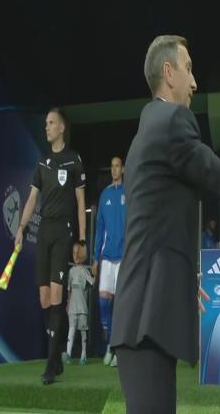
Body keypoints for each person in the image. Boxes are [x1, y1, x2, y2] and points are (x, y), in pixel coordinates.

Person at [110, 35, 220, 414]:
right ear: (168, 73)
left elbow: (153, 223)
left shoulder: (149, 127)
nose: (194, 83)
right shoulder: (173, 120)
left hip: (143, 314)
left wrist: (178, 276)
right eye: (189, 70)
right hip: (146, 319)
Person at [15, 107, 87, 385]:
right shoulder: (42, 162)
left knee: (57, 293)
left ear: (62, 128)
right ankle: (57, 356)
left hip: (63, 230)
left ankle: (50, 362)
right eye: (45, 122)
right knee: (44, 298)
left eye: (51, 122)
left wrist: (82, 239)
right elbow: (32, 199)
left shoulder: (74, 159)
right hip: (44, 230)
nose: (46, 127)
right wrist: (21, 228)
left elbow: (81, 202)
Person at [92, 156, 126, 367]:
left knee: (120, 303)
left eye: (117, 166)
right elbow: (99, 229)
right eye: (112, 166)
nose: (114, 170)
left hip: (124, 256)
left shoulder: (129, 194)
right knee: (104, 301)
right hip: (106, 257)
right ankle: (111, 344)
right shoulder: (104, 195)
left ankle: (119, 348)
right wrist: (95, 258)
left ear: (123, 169)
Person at [65, 243, 94, 365]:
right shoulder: (71, 271)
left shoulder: (85, 271)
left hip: (82, 308)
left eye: (78, 253)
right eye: (74, 253)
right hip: (72, 307)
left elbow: (92, 282)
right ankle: (68, 354)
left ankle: (83, 355)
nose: (76, 256)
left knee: (83, 332)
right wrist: (68, 303)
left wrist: (94, 273)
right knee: (71, 330)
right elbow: (69, 289)